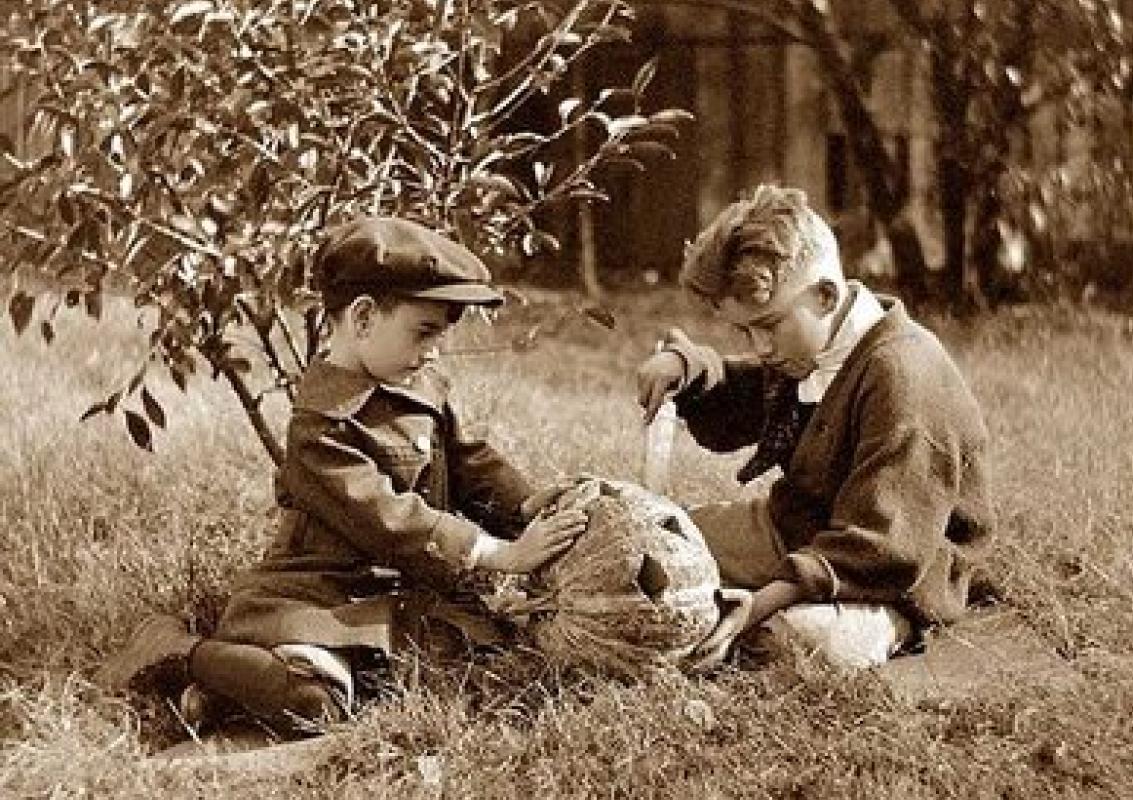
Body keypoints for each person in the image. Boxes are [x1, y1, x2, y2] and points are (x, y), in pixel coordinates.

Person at [96, 216, 587, 732]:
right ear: (364, 317)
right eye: (423, 332)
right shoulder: (318, 430)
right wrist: (496, 553)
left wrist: (529, 506)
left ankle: (222, 696)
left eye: (440, 335)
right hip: (320, 594)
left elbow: (469, 462)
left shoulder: (421, 383)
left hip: (399, 591)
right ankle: (179, 652)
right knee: (315, 705)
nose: (434, 350)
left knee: (476, 670)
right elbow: (387, 517)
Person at [635, 185, 995, 671]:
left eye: (768, 325)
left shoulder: (902, 374)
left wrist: (762, 602)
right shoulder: (807, 350)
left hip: (887, 574)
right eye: (746, 331)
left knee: (790, 641)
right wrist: (688, 366)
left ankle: (891, 627)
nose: (760, 346)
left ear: (826, 295)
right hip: (798, 530)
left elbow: (886, 545)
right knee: (649, 551)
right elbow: (744, 391)